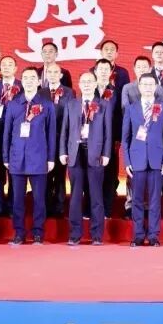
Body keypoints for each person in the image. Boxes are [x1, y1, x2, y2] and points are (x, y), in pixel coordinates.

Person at [2, 67, 56, 245]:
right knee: (17, 199)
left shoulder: (47, 104)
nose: (29, 81)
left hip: (39, 158)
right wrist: (6, 157)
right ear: (21, 81)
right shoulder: (13, 104)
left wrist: (50, 158)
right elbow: (7, 133)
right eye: (25, 77)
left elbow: (51, 133)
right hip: (17, 157)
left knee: (39, 199)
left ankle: (38, 232)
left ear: (39, 81)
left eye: (33, 78)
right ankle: (19, 232)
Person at [61, 73, 113, 245]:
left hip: (95, 154)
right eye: (84, 81)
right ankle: (74, 234)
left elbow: (108, 132)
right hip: (75, 153)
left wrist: (106, 153)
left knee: (96, 195)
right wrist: (63, 152)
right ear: (79, 84)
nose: (87, 84)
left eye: (90, 81)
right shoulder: (72, 104)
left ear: (96, 83)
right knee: (75, 196)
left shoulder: (104, 105)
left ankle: (97, 235)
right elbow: (65, 130)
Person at [122, 73, 163, 247]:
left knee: (154, 200)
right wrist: (127, 161)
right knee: (136, 199)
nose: (148, 88)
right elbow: (125, 138)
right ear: (139, 87)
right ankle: (137, 235)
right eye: (144, 84)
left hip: (157, 160)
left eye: (151, 84)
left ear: (156, 87)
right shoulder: (131, 108)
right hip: (136, 160)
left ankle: (153, 235)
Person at [0, 55, 21, 218]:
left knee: (15, 171)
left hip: (16, 134)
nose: (6, 67)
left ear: (15, 68)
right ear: (0, 69)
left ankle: (13, 206)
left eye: (10, 64)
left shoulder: (22, 85)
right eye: (4, 65)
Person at [41, 62, 73, 218]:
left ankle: (59, 207)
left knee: (60, 175)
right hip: (45, 140)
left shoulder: (69, 92)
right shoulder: (41, 92)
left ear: (61, 75)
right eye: (50, 72)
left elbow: (71, 116)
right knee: (45, 174)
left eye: (56, 72)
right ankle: (46, 207)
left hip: (62, 139)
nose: (52, 75)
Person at [93, 58, 124, 217]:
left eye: (107, 69)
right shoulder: (89, 89)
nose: (104, 71)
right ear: (95, 71)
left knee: (110, 174)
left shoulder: (116, 92)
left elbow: (119, 116)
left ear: (111, 72)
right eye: (101, 69)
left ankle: (106, 209)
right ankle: (92, 208)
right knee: (92, 174)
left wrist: (118, 138)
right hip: (91, 139)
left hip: (110, 139)